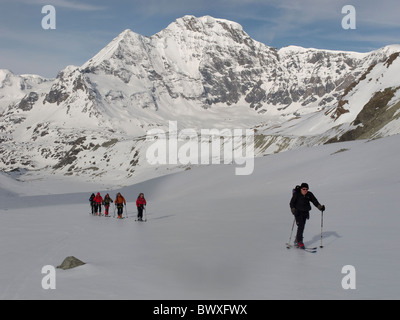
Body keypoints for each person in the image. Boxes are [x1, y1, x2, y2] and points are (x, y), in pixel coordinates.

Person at [290, 183, 325, 248]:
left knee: (302, 226)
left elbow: (315, 201)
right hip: (298, 212)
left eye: (306, 189)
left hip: (305, 212)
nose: (305, 190)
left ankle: (297, 239)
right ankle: (299, 241)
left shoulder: (309, 194)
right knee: (301, 225)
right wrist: (293, 209)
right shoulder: (297, 194)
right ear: (301, 189)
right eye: (304, 189)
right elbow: (292, 203)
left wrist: (320, 207)